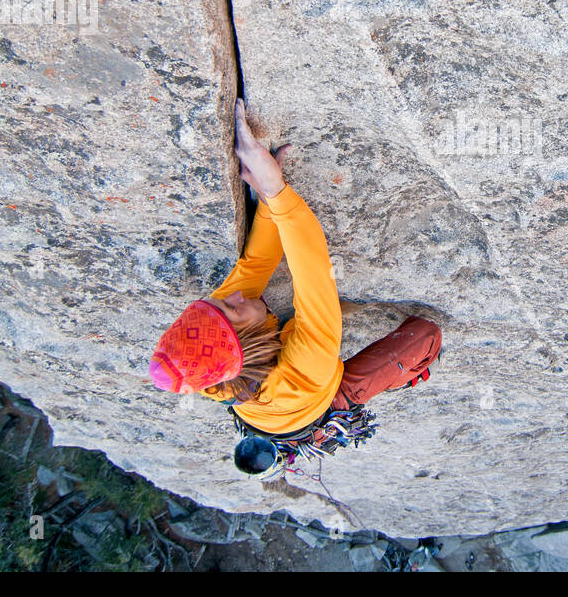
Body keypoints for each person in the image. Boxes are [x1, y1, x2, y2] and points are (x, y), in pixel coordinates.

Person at [148, 98, 442, 473]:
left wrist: (270, 202)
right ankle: (386, 389)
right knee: (426, 335)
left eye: (220, 302)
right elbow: (315, 272)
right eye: (233, 307)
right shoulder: (308, 367)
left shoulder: (214, 351)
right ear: (249, 340)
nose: (233, 296)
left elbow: (256, 262)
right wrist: (276, 189)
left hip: (263, 417)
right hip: (319, 400)